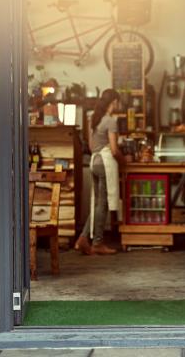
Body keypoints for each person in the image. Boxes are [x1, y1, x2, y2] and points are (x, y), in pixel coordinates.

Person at [75, 89, 126, 255]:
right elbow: (113, 150)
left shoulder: (94, 120)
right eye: (117, 101)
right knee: (102, 203)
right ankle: (97, 243)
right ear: (114, 102)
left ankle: (83, 238)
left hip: (94, 162)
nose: (118, 104)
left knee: (97, 203)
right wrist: (124, 161)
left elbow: (90, 147)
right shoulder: (111, 121)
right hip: (105, 163)